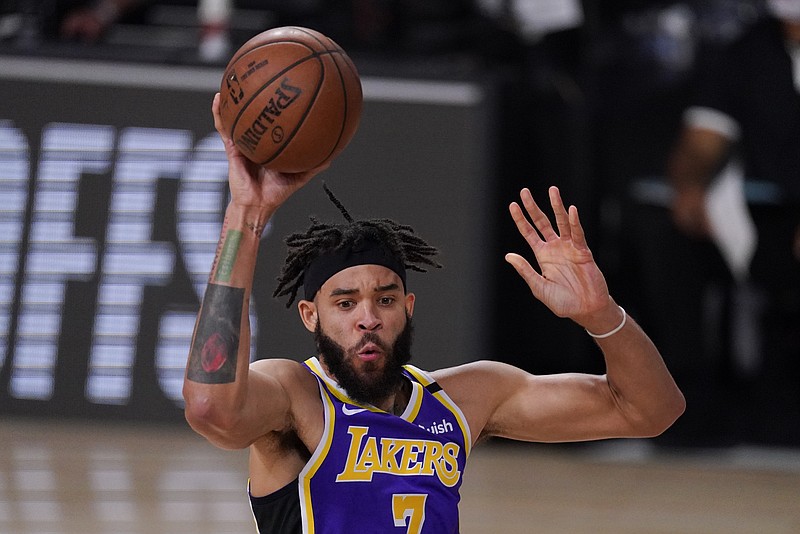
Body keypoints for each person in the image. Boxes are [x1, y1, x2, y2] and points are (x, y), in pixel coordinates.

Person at [182, 93, 685, 533]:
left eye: (385, 298)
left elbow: (651, 411)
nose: (368, 318)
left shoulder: (467, 398)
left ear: (408, 307)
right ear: (310, 316)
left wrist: (601, 315)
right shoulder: (294, 395)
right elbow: (211, 409)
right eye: (345, 302)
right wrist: (245, 216)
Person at [667, 0, 800, 445]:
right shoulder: (748, 51)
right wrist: (690, 185)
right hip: (772, 208)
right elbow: (704, 138)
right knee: (670, 236)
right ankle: (696, 405)